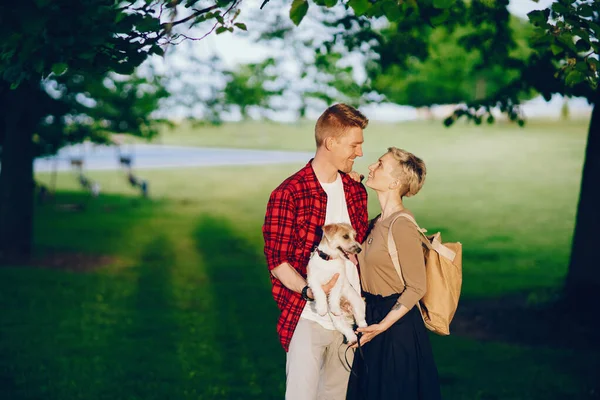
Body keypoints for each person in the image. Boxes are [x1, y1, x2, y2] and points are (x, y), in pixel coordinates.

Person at [262, 103, 370, 400]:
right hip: (307, 316)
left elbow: (356, 254)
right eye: (354, 145)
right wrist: (312, 292)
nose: (360, 152)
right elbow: (278, 262)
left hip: (347, 316)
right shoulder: (289, 193)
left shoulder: (355, 191)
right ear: (330, 143)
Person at [346, 147, 442, 400]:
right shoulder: (376, 222)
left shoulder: (401, 224)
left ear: (395, 182)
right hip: (371, 320)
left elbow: (416, 287)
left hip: (396, 328)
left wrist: (382, 326)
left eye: (379, 165)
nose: (370, 167)